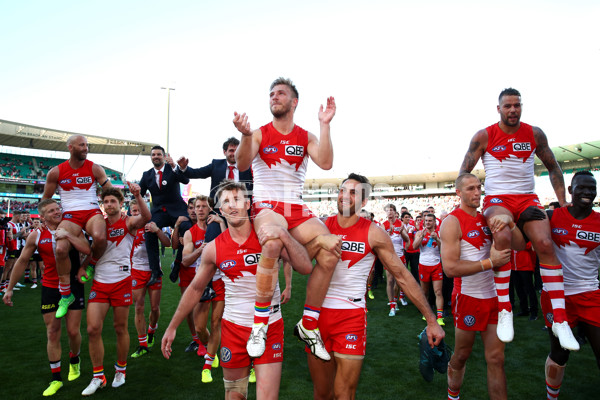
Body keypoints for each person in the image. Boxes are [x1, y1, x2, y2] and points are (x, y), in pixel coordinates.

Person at [162, 181, 313, 400]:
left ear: (248, 204)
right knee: (234, 396)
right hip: (234, 329)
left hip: (270, 327)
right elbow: (195, 288)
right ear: (220, 209)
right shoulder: (214, 248)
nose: (232, 206)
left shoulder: (267, 236)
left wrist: (284, 235)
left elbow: (305, 267)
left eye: (237, 200)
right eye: (226, 202)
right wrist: (173, 326)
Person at [459, 88, 579, 350]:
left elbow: (553, 166)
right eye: (508, 106)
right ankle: (505, 309)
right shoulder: (484, 135)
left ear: (521, 107)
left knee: (546, 245)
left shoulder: (534, 133)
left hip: (527, 199)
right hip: (498, 200)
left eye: (517, 105)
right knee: (502, 235)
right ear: (499, 109)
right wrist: (466, 208)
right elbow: (463, 173)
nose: (513, 110)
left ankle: (560, 319)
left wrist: (562, 204)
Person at [307, 174, 445, 399]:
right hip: (316, 317)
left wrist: (431, 320)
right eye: (343, 190)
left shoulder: (373, 232)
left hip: (351, 318)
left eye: (353, 193)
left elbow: (401, 274)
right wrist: (317, 241)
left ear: (363, 202)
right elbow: (299, 263)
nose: (345, 196)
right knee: (322, 394)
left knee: (344, 394)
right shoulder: (320, 226)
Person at [233, 77, 341, 360]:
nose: (274, 97)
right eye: (271, 93)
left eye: (280, 93)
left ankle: (308, 324)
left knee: (331, 250)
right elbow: (242, 164)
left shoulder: (305, 136)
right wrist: (245, 135)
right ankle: (259, 325)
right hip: (268, 205)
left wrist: (325, 124)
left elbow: (327, 162)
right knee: (271, 242)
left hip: (296, 207)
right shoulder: (258, 133)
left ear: (294, 102)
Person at [441, 173, 523, 400]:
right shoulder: (452, 222)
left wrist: (510, 223)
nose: (477, 192)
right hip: (468, 297)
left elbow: (520, 245)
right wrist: (490, 263)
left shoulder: (489, 216)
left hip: (496, 298)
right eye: (470, 189)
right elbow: (450, 268)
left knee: (496, 359)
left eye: (479, 187)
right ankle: (453, 395)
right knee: (461, 355)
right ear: (458, 193)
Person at [3, 199, 91, 396]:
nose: (57, 212)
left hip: (73, 286)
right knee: (52, 331)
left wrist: (69, 237)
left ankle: (75, 360)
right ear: (42, 216)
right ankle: (56, 378)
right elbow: (22, 261)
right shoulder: (36, 235)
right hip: (50, 286)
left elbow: (88, 250)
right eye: (52, 211)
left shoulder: (73, 228)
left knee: (73, 331)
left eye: (58, 209)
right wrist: (9, 288)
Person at [80, 184, 150, 396]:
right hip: (100, 283)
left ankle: (120, 370)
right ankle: (98, 375)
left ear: (120, 204)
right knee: (93, 329)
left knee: (120, 328)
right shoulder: (96, 224)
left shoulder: (128, 222)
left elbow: (146, 217)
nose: (109, 205)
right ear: (102, 204)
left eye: (113, 201)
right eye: (106, 201)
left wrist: (137, 195)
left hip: (121, 282)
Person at [543, 171, 600, 399]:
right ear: (570, 191)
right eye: (582, 188)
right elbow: (520, 241)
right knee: (560, 353)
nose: (587, 192)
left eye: (591, 189)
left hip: (589, 293)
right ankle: (551, 396)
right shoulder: (550, 217)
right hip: (556, 296)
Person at [42, 135, 112, 318]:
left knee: (100, 237)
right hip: (70, 215)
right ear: (70, 147)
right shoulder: (56, 172)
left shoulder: (95, 168)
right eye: (82, 145)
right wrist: (46, 218)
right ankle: (66, 295)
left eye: (87, 145)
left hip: (91, 211)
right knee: (61, 248)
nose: (86, 148)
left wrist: (116, 205)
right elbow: (46, 199)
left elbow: (111, 191)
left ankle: (90, 265)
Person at [180, 195, 227, 383]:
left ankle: (208, 363)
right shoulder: (191, 233)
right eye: (197, 206)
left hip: (220, 281)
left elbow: (229, 246)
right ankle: (212, 350)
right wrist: (202, 249)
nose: (200, 209)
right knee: (200, 326)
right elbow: (185, 261)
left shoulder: (217, 226)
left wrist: (222, 225)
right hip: (201, 282)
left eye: (204, 206)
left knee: (216, 323)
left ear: (210, 209)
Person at [139, 145, 190, 287]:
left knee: (186, 229)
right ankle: (155, 270)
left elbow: (185, 180)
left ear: (164, 156)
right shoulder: (146, 175)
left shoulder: (172, 169)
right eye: (153, 154)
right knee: (149, 230)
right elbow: (139, 194)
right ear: (151, 157)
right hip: (158, 212)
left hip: (177, 209)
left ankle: (178, 264)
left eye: (159, 154)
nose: (156, 156)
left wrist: (175, 166)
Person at [129, 199, 171, 358]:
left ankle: (151, 332)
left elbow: (167, 243)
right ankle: (142, 344)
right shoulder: (130, 228)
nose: (137, 214)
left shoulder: (153, 224)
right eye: (134, 211)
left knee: (154, 308)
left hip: (154, 271)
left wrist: (157, 230)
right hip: (137, 271)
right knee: (138, 307)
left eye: (140, 211)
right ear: (130, 213)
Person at [177, 137, 254, 201]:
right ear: (224, 152)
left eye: (237, 151)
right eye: (231, 150)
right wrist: (184, 168)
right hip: (218, 211)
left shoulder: (248, 167)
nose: (234, 154)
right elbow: (196, 173)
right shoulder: (216, 165)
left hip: (242, 210)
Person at [413, 213, 445, 325]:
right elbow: (414, 246)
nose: (428, 223)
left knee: (438, 291)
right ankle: (426, 314)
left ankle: (440, 316)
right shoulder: (419, 233)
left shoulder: (440, 233)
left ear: (435, 222)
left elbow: (444, 249)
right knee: (424, 292)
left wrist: (437, 239)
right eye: (426, 220)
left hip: (436, 265)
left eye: (430, 221)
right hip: (423, 265)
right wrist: (421, 236)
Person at [383, 204, 409, 315]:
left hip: (400, 256)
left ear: (395, 212)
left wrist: (405, 250)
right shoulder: (383, 225)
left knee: (399, 281)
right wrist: (388, 233)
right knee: (389, 280)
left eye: (391, 210)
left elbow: (407, 240)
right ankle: (392, 305)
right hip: (389, 256)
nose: (389, 212)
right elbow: (381, 242)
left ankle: (395, 299)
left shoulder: (400, 224)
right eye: (387, 210)